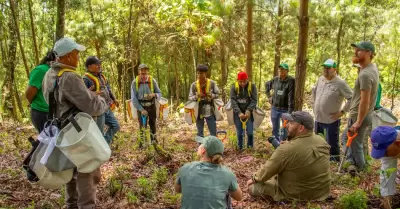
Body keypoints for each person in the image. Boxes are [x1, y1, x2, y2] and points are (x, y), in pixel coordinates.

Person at [42, 37, 108, 209]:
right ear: (68, 56)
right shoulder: (70, 77)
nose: (78, 58)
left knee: (70, 171)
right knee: (88, 170)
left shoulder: (49, 75)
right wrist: (101, 99)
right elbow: (92, 107)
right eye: (76, 54)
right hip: (78, 132)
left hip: (61, 131)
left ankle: (71, 205)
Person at [247, 111, 331, 202]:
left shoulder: (285, 150)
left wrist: (254, 179)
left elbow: (267, 170)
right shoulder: (321, 141)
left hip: (296, 194)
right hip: (322, 192)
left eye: (291, 123)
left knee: (252, 187)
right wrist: (291, 145)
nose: (287, 125)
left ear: (301, 128)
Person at [175, 136, 243, 208]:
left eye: (201, 144)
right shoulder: (227, 173)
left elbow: (178, 189)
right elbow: (239, 197)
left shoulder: (185, 168)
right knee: (227, 194)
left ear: (203, 150)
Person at [343, 41, 379, 172]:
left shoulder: (365, 74)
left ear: (368, 53)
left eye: (359, 50)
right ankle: (356, 165)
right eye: (355, 49)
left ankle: (363, 171)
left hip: (359, 115)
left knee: (355, 144)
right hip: (365, 114)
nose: (355, 52)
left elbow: (365, 100)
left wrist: (358, 122)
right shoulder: (371, 68)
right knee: (350, 140)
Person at [312, 59, 353, 161]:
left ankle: (334, 162)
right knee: (318, 141)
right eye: (324, 68)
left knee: (332, 143)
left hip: (331, 119)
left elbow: (352, 98)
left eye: (328, 68)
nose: (326, 70)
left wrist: (342, 112)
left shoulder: (340, 83)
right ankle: (320, 159)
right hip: (318, 117)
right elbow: (314, 92)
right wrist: (314, 105)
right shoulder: (320, 79)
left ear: (334, 69)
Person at [83, 56, 120, 144]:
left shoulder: (101, 76)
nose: (99, 66)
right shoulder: (86, 79)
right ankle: (100, 152)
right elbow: (83, 96)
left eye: (99, 64)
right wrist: (90, 93)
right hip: (97, 109)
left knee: (115, 126)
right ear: (89, 67)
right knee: (99, 132)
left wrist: (114, 99)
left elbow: (108, 89)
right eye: (96, 64)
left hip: (106, 107)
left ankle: (105, 145)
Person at [25, 51, 56, 133]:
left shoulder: (56, 71)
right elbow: (29, 94)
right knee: (48, 142)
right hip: (41, 113)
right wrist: (38, 103)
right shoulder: (41, 70)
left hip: (53, 113)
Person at [369, 126, 400, 209]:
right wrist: (387, 200)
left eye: (385, 152)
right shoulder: (387, 144)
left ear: (397, 144)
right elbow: (387, 174)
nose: (384, 156)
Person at [131, 64, 162, 145]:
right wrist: (141, 109)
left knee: (153, 124)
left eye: (145, 72)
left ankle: (154, 142)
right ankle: (142, 143)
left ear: (147, 72)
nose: (144, 74)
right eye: (142, 72)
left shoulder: (152, 81)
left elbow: (159, 93)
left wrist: (154, 95)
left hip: (152, 106)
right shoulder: (135, 83)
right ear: (139, 72)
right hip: (141, 106)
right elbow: (134, 99)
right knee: (142, 126)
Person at [265, 63, 295, 141]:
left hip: (285, 109)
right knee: (275, 128)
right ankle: (275, 143)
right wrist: (269, 96)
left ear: (287, 71)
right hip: (275, 108)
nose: (280, 70)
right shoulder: (275, 79)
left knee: (284, 128)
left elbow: (291, 97)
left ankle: (282, 143)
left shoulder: (291, 80)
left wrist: (289, 112)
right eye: (280, 69)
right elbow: (266, 85)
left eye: (283, 69)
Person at [188, 64, 220, 137]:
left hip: (209, 108)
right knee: (199, 131)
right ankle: (200, 147)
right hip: (198, 109)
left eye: (201, 73)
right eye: (198, 73)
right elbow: (189, 97)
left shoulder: (212, 83)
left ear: (205, 73)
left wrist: (211, 95)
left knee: (213, 131)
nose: (199, 75)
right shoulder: (194, 85)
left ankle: (213, 146)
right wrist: (196, 96)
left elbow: (218, 94)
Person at [230, 71, 258, 150]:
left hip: (249, 113)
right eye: (240, 82)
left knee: (250, 132)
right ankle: (240, 148)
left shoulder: (252, 86)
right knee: (239, 133)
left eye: (244, 81)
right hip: (237, 113)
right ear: (237, 80)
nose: (242, 83)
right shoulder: (234, 87)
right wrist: (239, 112)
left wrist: (249, 110)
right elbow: (233, 101)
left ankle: (250, 147)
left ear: (247, 79)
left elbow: (254, 100)